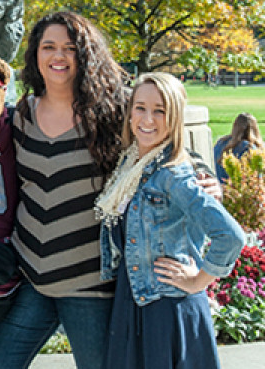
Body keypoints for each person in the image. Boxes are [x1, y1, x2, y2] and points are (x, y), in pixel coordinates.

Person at [0, 11, 222, 369]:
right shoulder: (20, 114)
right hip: (32, 280)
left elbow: (164, 140)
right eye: (49, 47)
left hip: (90, 285)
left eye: (69, 48)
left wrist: (202, 175)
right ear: (35, 54)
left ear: (85, 54)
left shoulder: (113, 110)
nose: (58, 56)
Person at [95, 72, 245, 368]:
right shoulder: (130, 164)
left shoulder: (174, 175)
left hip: (167, 308)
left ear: (175, 117)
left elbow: (231, 236)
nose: (147, 118)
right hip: (134, 301)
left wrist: (198, 280)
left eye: (160, 110)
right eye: (140, 107)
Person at [214, 112, 264, 182]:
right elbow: (258, 177)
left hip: (221, 186)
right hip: (242, 189)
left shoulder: (220, 143)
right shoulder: (249, 148)